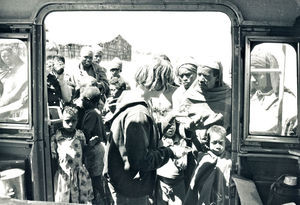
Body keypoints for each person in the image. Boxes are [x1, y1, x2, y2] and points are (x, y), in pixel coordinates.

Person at [103, 55, 191, 205]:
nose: (166, 87)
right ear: (156, 82)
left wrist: (169, 117)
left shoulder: (130, 98)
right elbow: (142, 161)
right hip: (132, 189)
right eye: (165, 82)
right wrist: (170, 152)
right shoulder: (138, 113)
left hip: (123, 181)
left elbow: (141, 137)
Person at [50, 106, 94, 204]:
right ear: (62, 120)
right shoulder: (56, 138)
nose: (71, 124)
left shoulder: (80, 135)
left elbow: (84, 152)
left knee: (80, 200)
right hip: (64, 176)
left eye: (74, 121)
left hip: (79, 175)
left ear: (77, 121)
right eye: (67, 121)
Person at [249, 50, 297, 135]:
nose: (252, 79)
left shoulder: (288, 101)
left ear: (270, 74)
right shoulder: (249, 99)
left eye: (256, 74)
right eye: (250, 75)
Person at [184, 125, 231, 205]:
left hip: (223, 198)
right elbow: (195, 182)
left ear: (225, 142)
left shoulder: (228, 159)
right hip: (206, 199)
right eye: (214, 142)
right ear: (209, 142)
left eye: (220, 143)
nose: (217, 146)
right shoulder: (205, 159)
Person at [80, 85, 109, 204]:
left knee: (94, 180)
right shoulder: (95, 111)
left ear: (91, 101)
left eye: (84, 99)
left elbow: (86, 133)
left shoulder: (91, 113)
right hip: (99, 148)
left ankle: (100, 201)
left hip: (94, 150)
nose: (82, 101)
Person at [156, 116, 189, 205]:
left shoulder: (181, 142)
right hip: (161, 182)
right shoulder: (159, 142)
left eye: (173, 124)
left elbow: (184, 161)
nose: (171, 127)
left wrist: (182, 162)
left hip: (178, 183)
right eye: (168, 124)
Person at [0, 46, 28, 122]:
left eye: (8, 55)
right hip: (6, 104)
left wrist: (3, 103)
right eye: (3, 56)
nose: (6, 58)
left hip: (17, 106)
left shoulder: (23, 69)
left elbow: (18, 90)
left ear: (14, 55)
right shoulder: (4, 70)